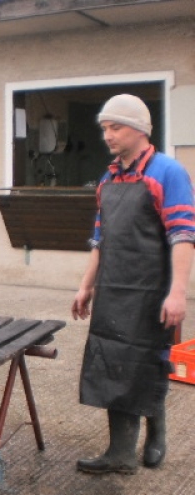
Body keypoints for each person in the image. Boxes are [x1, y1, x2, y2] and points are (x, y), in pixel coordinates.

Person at [72, 94, 195, 475]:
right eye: (105, 128)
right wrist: (85, 286)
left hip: (151, 293)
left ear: (139, 130)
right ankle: (120, 454)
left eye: (116, 127)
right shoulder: (108, 179)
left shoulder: (167, 173)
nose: (107, 135)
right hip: (112, 291)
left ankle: (156, 433)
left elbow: (183, 236)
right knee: (113, 366)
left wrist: (177, 293)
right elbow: (100, 240)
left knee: (147, 363)